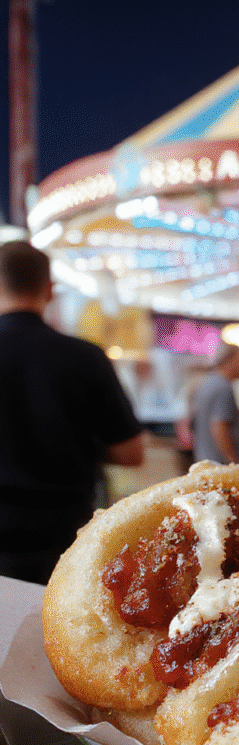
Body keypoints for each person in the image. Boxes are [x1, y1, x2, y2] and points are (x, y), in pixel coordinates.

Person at [0, 240, 144, 585]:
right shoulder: (86, 357)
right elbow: (131, 452)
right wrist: (78, 442)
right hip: (63, 538)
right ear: (49, 291)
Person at [191, 341, 239, 465]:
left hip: (205, 460)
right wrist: (234, 461)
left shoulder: (206, 383)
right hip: (221, 465)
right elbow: (219, 427)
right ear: (231, 361)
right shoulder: (223, 388)